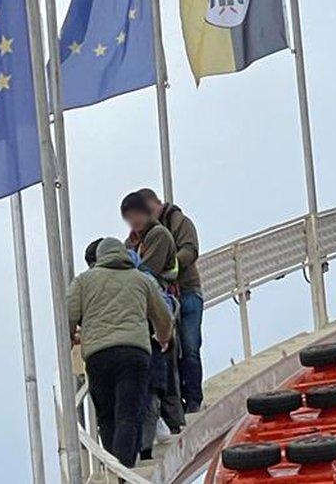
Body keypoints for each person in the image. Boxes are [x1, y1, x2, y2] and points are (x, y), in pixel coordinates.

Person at [67, 238, 174, 468]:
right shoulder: (141, 279)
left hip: (98, 355)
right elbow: (163, 316)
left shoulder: (84, 281)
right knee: (129, 414)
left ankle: (114, 467)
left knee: (106, 416)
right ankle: (124, 468)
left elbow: (68, 314)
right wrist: (163, 337)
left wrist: (71, 337)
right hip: (134, 353)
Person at [122, 191, 186, 451]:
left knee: (165, 367)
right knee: (156, 369)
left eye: (135, 215)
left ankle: (170, 421)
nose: (132, 221)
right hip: (146, 308)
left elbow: (146, 271)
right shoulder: (134, 241)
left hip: (161, 303)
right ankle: (160, 423)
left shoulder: (159, 235)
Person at [138, 188, 205, 414]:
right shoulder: (141, 233)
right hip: (164, 298)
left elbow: (191, 249)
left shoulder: (180, 222)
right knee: (170, 351)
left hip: (187, 292)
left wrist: (169, 264)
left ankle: (194, 398)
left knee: (190, 346)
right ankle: (177, 403)